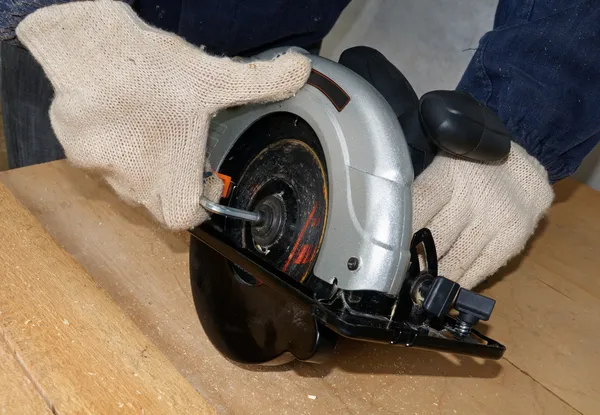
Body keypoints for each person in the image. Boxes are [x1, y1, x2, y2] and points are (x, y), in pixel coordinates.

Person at [0, 0, 598, 289]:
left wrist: (522, 120)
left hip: (260, 55)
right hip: (77, 34)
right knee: (54, 277)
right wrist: (65, 20)